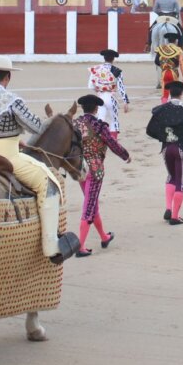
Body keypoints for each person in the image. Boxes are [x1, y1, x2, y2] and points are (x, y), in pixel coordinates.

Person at [0, 56, 79, 263]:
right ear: (8, 77)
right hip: (8, 156)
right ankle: (52, 247)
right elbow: (36, 127)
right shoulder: (10, 99)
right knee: (50, 184)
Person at [73, 94, 131, 256]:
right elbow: (112, 144)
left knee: (91, 202)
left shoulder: (74, 124)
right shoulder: (99, 126)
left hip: (79, 168)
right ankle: (81, 247)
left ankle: (104, 237)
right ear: (97, 109)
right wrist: (125, 156)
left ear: (83, 108)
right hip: (95, 168)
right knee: (89, 206)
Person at [146, 81, 183, 225]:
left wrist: (163, 135)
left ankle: (168, 208)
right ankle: (175, 216)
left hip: (167, 148)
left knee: (171, 176)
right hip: (182, 148)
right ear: (181, 93)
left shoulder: (160, 109)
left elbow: (151, 129)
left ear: (169, 93)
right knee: (181, 181)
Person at [88, 49, 130, 137]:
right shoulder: (116, 71)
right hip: (111, 97)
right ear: (113, 59)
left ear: (104, 58)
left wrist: (99, 90)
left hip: (99, 97)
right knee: (113, 121)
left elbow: (90, 86)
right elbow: (121, 87)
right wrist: (125, 102)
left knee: (100, 119)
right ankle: (113, 141)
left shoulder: (96, 69)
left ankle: (98, 140)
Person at [155, 32, 183, 104]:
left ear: (167, 40)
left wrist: (164, 64)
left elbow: (156, 61)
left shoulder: (161, 49)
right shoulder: (178, 50)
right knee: (175, 93)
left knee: (165, 93)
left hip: (164, 73)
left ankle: (164, 107)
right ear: (176, 41)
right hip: (174, 73)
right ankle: (175, 107)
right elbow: (182, 63)